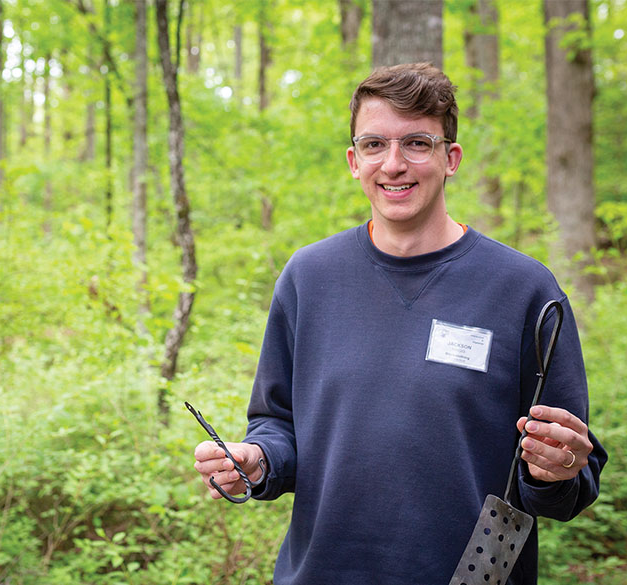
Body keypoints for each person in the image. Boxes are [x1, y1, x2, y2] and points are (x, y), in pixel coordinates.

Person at [192, 63, 606, 584]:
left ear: (449, 158)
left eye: (416, 143)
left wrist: (558, 469)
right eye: (373, 145)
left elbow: (571, 473)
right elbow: (277, 425)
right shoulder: (310, 277)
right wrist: (258, 460)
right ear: (353, 160)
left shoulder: (523, 290)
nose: (393, 164)